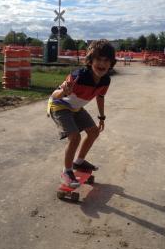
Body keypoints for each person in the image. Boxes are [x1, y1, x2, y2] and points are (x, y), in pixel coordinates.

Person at [47, 39, 116, 188]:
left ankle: (78, 163)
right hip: (59, 106)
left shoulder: (106, 80)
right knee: (75, 137)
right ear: (90, 60)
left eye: (106, 60)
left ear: (111, 63)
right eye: (98, 59)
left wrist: (102, 117)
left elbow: (100, 97)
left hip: (75, 108)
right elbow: (54, 95)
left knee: (93, 132)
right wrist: (63, 91)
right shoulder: (78, 76)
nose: (102, 64)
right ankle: (67, 171)